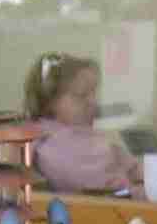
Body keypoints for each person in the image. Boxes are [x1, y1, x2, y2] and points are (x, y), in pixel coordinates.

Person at [25, 53, 142, 195]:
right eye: (81, 95)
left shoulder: (87, 136)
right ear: (50, 102)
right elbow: (105, 190)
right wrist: (141, 190)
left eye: (94, 93)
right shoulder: (52, 147)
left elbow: (134, 168)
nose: (93, 102)